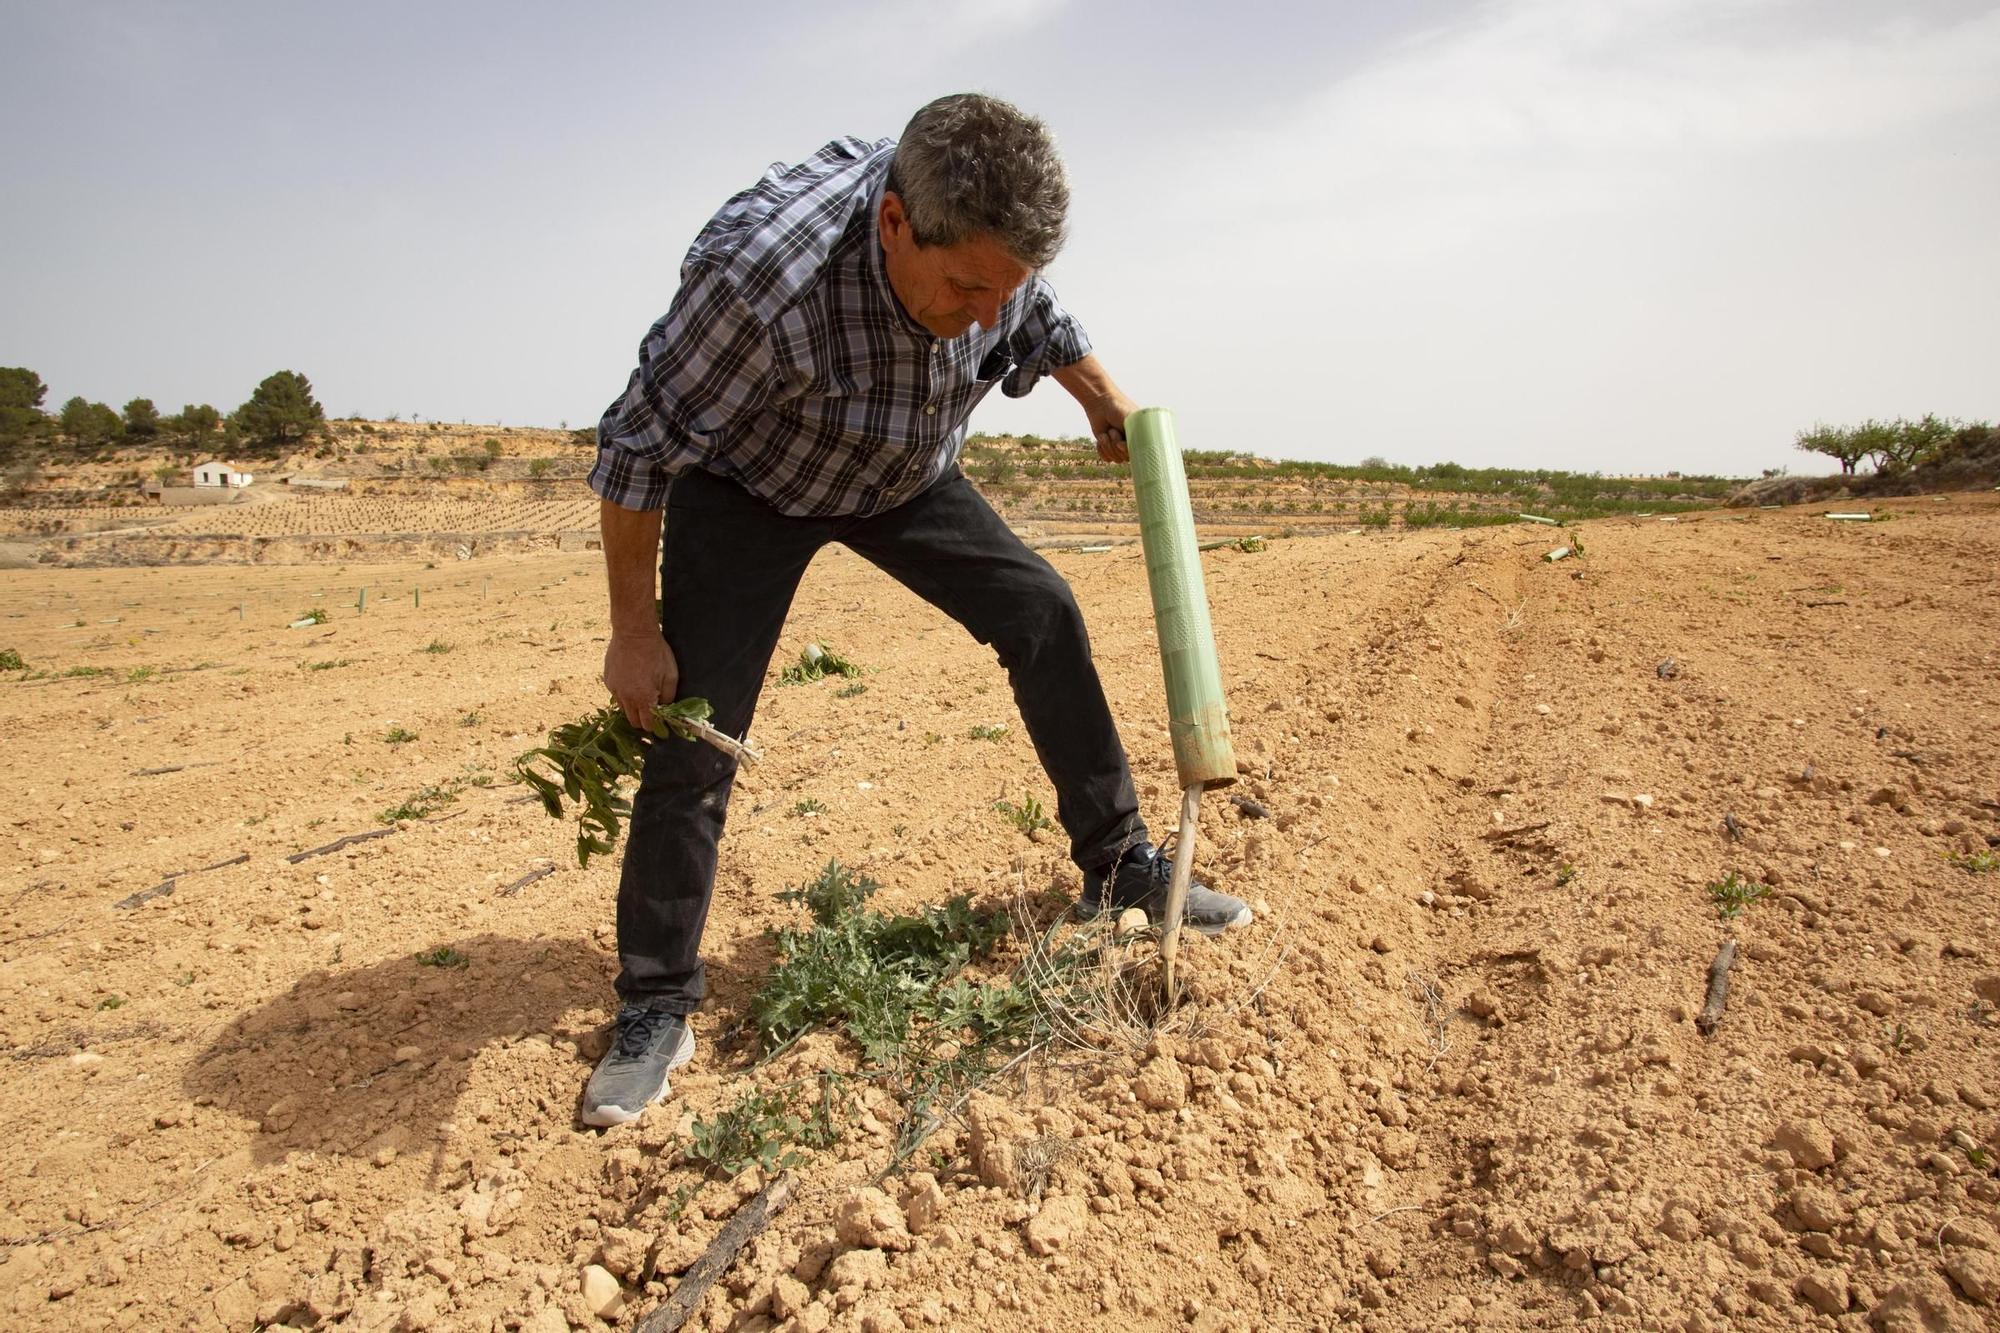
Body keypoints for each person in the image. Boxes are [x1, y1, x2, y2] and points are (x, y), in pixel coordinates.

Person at [580, 93, 1251, 1127]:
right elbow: (635, 444)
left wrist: (1097, 394)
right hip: (753, 486)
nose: (989, 312)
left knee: (1041, 610)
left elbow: (1037, 310)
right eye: (966, 287)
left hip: (902, 475)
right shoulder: (763, 281)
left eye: (1005, 287)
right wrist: (632, 631)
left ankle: (1117, 868)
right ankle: (655, 1002)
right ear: (894, 223)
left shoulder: (988, 256)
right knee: (694, 732)